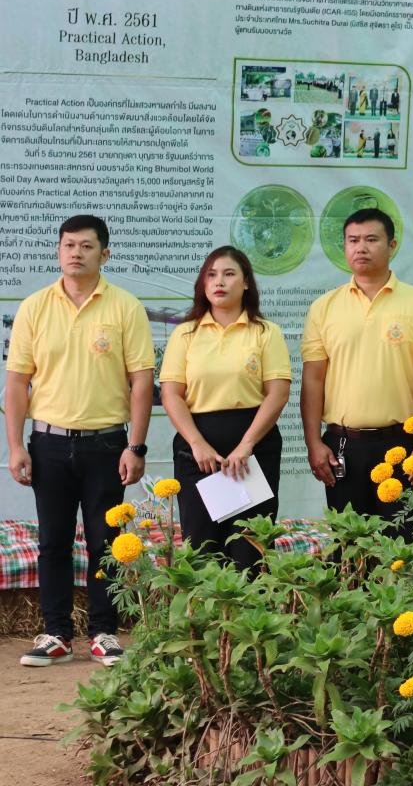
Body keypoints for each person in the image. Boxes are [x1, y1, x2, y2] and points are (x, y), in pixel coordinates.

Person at [5, 215, 154, 667]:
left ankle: (104, 632)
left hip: (107, 445)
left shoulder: (125, 307)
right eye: (68, 245)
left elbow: (142, 381)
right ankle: (55, 634)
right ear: (58, 251)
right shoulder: (34, 306)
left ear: (104, 254)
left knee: (104, 539)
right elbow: (16, 384)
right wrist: (15, 446)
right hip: (47, 443)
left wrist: (137, 446)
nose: (76, 253)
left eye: (86, 246)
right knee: (52, 541)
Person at [301, 209, 413, 521]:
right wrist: (313, 442)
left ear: (392, 246)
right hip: (342, 446)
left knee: (403, 545)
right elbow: (312, 381)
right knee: (350, 547)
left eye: (371, 239)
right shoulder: (324, 308)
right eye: (353, 240)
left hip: (403, 446)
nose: (360, 247)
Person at [159, 247, 290, 570]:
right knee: (202, 548)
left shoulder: (265, 332)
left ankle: (248, 620)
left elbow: (278, 392)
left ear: (246, 283)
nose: (220, 282)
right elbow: (172, 394)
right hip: (198, 453)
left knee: (249, 547)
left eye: (229, 274)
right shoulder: (185, 333)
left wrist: (246, 445)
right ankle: (204, 622)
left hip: (252, 450)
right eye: (212, 274)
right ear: (203, 283)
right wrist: (197, 443)